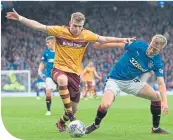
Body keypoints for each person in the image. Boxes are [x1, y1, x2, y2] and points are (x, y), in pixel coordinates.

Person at [6, 9, 134, 132]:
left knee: (75, 107)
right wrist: (20, 18)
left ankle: (61, 122)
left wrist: (121, 40)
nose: (77, 29)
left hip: (75, 73)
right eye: (75, 25)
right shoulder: (60, 31)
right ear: (70, 22)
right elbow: (39, 26)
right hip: (59, 69)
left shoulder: (86, 35)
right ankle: (70, 115)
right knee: (62, 80)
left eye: (80, 26)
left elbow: (104, 39)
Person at [85, 34, 170, 134]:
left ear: (161, 50)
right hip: (115, 79)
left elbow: (161, 83)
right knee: (105, 105)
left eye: (155, 50)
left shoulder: (157, 62)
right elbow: (119, 44)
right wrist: (102, 45)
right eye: (151, 47)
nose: (151, 50)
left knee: (156, 97)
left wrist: (165, 102)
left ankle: (155, 129)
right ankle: (95, 125)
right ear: (150, 42)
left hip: (131, 81)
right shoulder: (139, 45)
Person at [38, 36, 57, 116]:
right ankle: (48, 110)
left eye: (48, 42)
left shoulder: (60, 52)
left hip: (60, 75)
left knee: (65, 92)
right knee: (48, 92)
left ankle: (68, 110)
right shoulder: (46, 52)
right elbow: (42, 63)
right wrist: (39, 70)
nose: (46, 44)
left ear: (53, 43)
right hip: (49, 75)